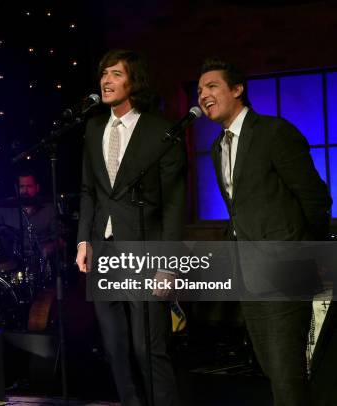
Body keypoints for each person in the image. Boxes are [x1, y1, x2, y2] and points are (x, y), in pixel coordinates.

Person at [198, 57, 332, 406]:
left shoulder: (274, 132)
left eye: (212, 86)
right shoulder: (217, 147)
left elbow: (315, 197)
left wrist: (304, 252)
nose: (203, 95)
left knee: (288, 373)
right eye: (199, 90)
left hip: (289, 265)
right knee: (272, 368)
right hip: (250, 271)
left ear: (237, 89)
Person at [76, 49, 186, 406]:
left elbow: (173, 203)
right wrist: (83, 241)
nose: (106, 81)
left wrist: (167, 263)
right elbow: (89, 190)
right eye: (103, 74)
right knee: (115, 348)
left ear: (133, 81)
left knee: (147, 348)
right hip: (102, 249)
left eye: (116, 74)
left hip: (144, 249)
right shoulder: (94, 128)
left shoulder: (160, 131)